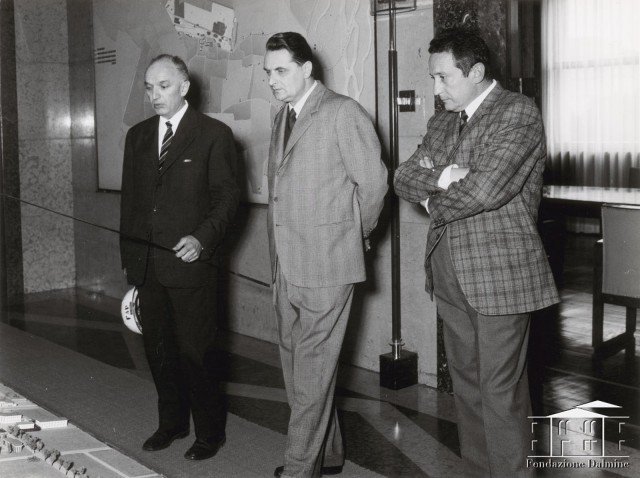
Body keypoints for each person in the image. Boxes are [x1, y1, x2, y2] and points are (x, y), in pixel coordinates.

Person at [394, 28, 559, 477]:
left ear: (476, 72)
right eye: (433, 78)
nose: (436, 89)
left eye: (444, 77)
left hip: (500, 274)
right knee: (466, 387)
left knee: (500, 391)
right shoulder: (442, 121)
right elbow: (403, 178)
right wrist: (448, 175)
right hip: (447, 268)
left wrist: (433, 196)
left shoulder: (517, 112)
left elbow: (486, 190)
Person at [264, 32, 388, 478]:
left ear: (306, 69)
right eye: (268, 72)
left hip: (328, 265)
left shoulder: (342, 112)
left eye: (281, 70)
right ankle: (328, 452)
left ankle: (301, 469)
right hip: (286, 265)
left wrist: (352, 235)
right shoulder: (282, 117)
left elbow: (374, 186)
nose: (272, 80)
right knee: (298, 370)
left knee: (312, 373)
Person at [119, 54, 239, 461]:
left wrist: (202, 239)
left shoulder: (213, 134)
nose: (154, 95)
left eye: (164, 86)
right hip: (148, 266)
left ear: (184, 87)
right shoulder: (137, 136)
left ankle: (209, 433)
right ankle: (171, 424)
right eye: (149, 87)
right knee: (158, 351)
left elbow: (226, 199)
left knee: (196, 354)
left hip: (191, 266)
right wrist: (131, 263)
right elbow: (131, 204)